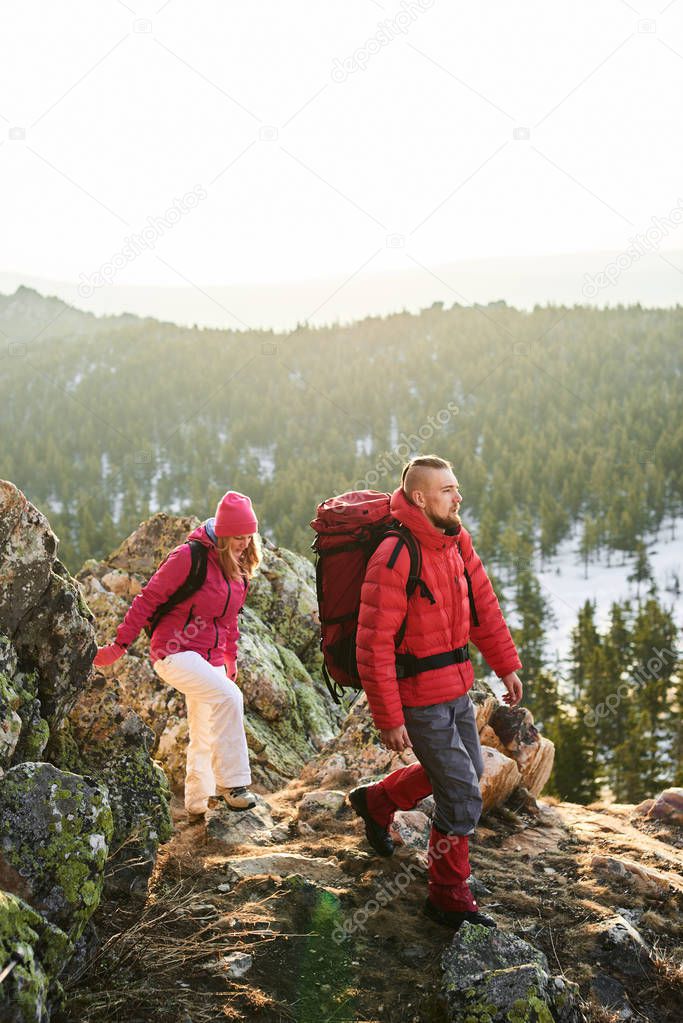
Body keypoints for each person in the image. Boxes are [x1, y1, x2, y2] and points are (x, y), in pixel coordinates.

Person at [349, 455, 523, 930]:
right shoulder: (395, 554)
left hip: (457, 689)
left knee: (458, 772)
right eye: (448, 490)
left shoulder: (455, 540)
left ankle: (377, 802)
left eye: (458, 487)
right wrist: (389, 717)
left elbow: (483, 606)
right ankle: (446, 894)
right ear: (421, 497)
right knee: (464, 793)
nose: (458, 497)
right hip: (418, 697)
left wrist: (505, 664)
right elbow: (373, 644)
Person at [93, 490, 261, 821]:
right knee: (230, 698)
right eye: (238, 537)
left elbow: (228, 620)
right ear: (223, 534)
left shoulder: (238, 565)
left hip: (208, 657)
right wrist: (118, 646)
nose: (244, 542)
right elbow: (147, 600)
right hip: (173, 652)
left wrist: (230, 658)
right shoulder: (189, 556)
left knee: (204, 730)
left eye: (248, 536)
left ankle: (197, 804)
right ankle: (235, 786)